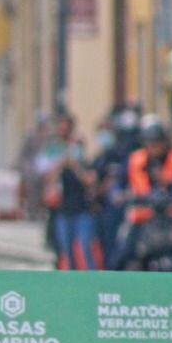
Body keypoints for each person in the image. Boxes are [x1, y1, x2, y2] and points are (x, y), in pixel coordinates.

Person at [116, 117, 172, 270]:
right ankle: (113, 289)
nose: (154, 146)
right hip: (141, 219)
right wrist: (120, 195)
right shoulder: (135, 159)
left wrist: (166, 181)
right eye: (150, 142)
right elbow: (120, 185)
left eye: (157, 142)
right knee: (121, 256)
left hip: (170, 218)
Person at [43, 113, 100, 270]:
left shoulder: (79, 151)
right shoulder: (53, 151)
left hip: (82, 208)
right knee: (66, 250)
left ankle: (91, 281)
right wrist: (60, 164)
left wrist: (74, 164)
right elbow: (48, 179)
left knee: (85, 246)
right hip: (63, 210)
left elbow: (89, 180)